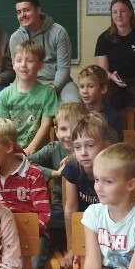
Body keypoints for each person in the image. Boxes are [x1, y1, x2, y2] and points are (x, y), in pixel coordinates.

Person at [0, 117, 50, 269]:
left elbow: (43, 215)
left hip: (31, 235)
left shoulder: (33, 174)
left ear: (9, 147)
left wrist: (15, 234)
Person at [60, 113, 114, 269]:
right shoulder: (73, 168)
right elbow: (71, 208)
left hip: (109, 229)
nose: (83, 152)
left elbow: (117, 211)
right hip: (83, 228)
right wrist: (71, 248)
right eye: (77, 147)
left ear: (106, 146)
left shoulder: (114, 170)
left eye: (90, 146)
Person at [28, 100, 86, 245]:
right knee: (43, 224)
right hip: (61, 204)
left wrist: (76, 159)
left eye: (75, 128)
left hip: (85, 204)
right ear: (56, 131)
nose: (69, 135)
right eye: (64, 129)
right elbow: (25, 163)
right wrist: (54, 173)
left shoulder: (89, 149)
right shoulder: (53, 148)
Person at [8, 0, 80, 104]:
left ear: (38, 10)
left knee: (74, 105)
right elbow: (19, 70)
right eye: (19, 12)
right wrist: (36, 88)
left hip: (61, 83)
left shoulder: (59, 32)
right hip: (31, 83)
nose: (22, 15)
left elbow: (64, 67)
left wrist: (55, 86)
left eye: (26, 10)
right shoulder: (16, 38)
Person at [0, 41, 58, 156]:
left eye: (30, 61)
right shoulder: (5, 94)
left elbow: (46, 124)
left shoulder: (48, 92)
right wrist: (13, 150)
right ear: (13, 64)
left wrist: (31, 148)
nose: (23, 65)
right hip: (12, 151)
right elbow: (3, 127)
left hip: (39, 152)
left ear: (40, 65)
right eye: (19, 60)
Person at [75, 64, 123, 140]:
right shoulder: (76, 114)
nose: (84, 91)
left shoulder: (112, 116)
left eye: (90, 86)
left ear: (103, 89)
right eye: (81, 87)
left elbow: (116, 144)